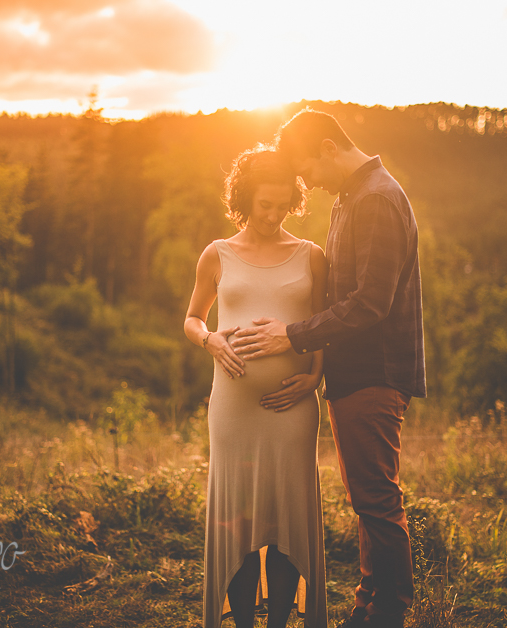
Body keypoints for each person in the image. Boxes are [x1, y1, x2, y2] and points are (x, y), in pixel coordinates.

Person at [231, 109, 426, 628]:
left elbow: (371, 303)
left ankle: (386, 615)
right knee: (368, 501)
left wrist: (291, 335)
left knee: (378, 503)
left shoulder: (378, 199)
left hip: (374, 373)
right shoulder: (353, 198)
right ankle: (368, 611)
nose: (307, 184)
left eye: (306, 169)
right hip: (351, 374)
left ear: (326, 146)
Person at [184, 146, 329, 628]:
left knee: (287, 518)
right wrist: (209, 341)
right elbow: (191, 318)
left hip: (292, 409)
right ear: (245, 198)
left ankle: (280, 623)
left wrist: (315, 376)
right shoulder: (217, 253)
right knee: (238, 522)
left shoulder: (311, 256)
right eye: (264, 203)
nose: (273, 214)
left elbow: (323, 325)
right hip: (232, 412)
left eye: (283, 204)